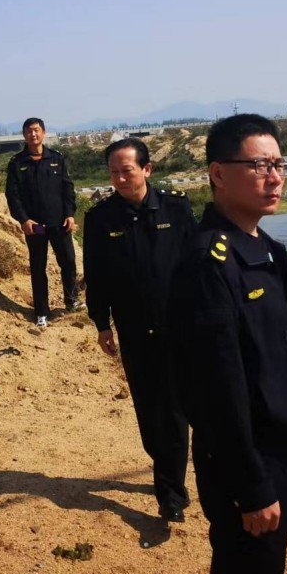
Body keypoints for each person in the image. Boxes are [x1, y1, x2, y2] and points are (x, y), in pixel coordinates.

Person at [168, 114, 287, 574]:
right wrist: (251, 484)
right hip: (246, 460)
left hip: (277, 450)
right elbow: (215, 388)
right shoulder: (209, 263)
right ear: (218, 174)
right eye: (259, 166)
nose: (274, 178)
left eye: (279, 164)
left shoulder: (269, 252)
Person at [83, 137, 196, 522]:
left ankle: (171, 495)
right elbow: (96, 276)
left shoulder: (176, 207)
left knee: (175, 409)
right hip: (133, 328)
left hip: (178, 326)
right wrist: (102, 324)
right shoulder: (101, 218)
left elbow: (197, 265)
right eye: (113, 172)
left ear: (146, 169)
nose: (119, 178)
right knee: (149, 410)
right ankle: (166, 469)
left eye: (126, 171)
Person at [5, 117, 81, 327]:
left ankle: (72, 301)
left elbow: (68, 189)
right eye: (29, 131)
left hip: (59, 222)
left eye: (37, 130)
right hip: (35, 226)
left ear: (44, 132)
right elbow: (13, 195)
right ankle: (41, 311)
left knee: (68, 262)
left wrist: (70, 214)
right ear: (24, 135)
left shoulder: (56, 159)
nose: (33, 134)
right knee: (38, 267)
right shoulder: (17, 163)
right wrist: (23, 219)